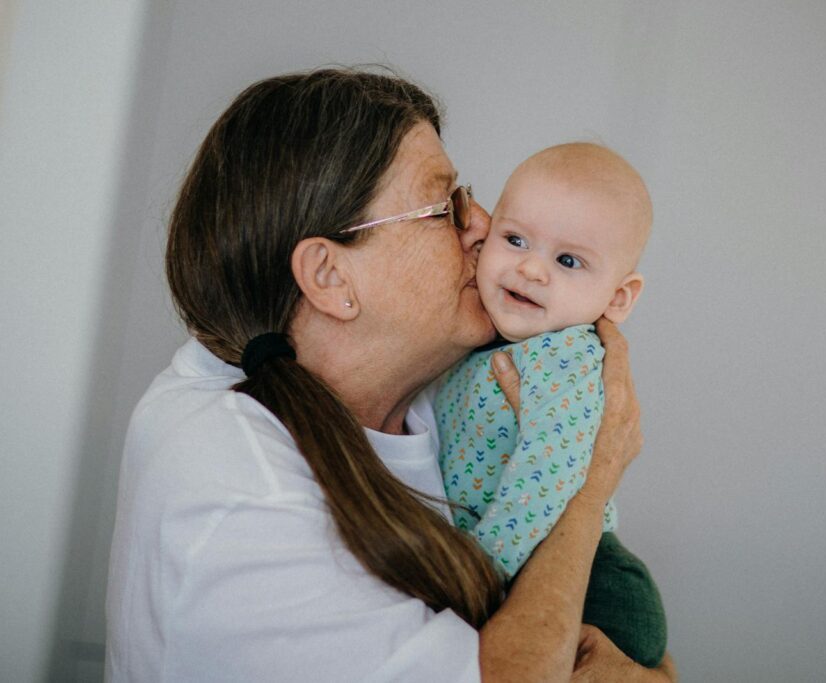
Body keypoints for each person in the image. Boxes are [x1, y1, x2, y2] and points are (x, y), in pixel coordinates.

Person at [104, 69, 675, 682]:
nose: (483, 225)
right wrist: (594, 481)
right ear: (330, 277)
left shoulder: (423, 386)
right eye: (444, 208)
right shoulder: (239, 490)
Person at [434, 143, 666, 667]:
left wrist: (480, 568)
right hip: (521, 559)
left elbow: (551, 470)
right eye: (515, 239)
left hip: (593, 585)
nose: (531, 269)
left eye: (568, 260)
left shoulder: (568, 356)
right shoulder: (482, 338)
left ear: (618, 298)